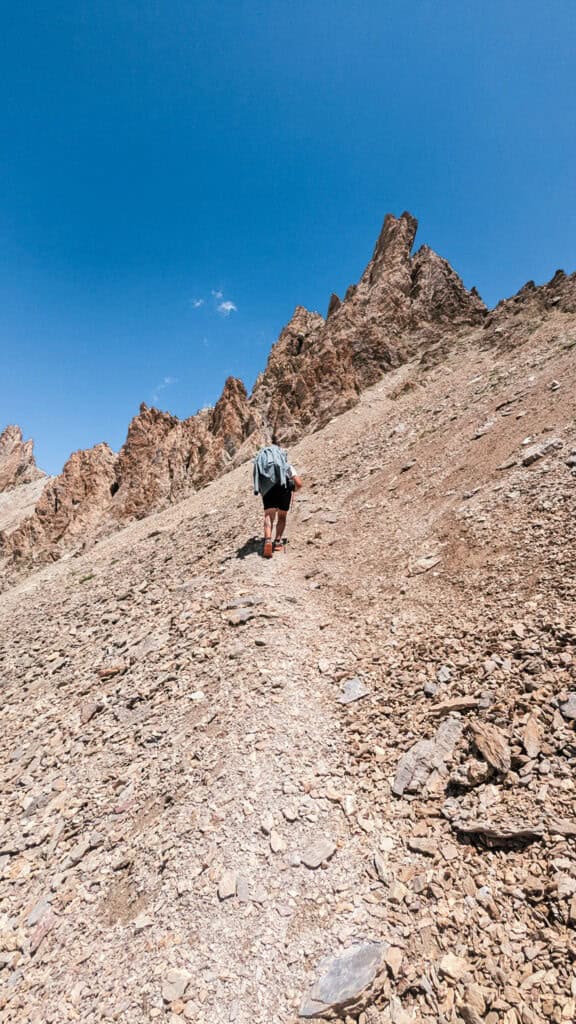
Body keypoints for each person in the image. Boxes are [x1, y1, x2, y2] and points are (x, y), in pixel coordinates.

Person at [253, 435, 302, 558]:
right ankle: (278, 542)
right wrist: (293, 488)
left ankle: (268, 540)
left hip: (268, 488)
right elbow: (299, 483)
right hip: (284, 489)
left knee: (269, 516)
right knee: (282, 517)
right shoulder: (286, 466)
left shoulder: (264, 464)